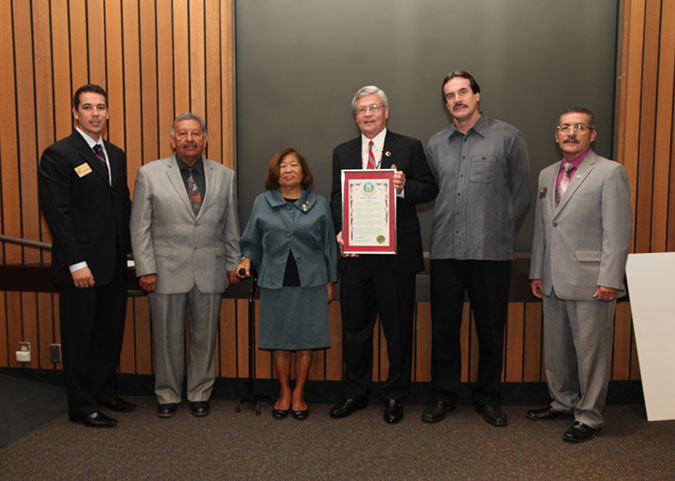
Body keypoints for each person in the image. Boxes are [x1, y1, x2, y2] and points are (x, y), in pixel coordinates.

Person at [423, 71, 530, 427]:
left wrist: (499, 232)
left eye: (463, 92)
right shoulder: (436, 143)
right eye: (450, 95)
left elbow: (521, 193)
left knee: (490, 329)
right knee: (444, 329)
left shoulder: (507, 137)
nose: (457, 99)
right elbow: (430, 191)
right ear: (446, 103)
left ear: (477, 95)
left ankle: (487, 396)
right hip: (446, 252)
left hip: (490, 254)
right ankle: (444, 395)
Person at [329, 86, 438, 424]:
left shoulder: (408, 147)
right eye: (361, 110)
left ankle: (395, 395)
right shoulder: (343, 152)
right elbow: (336, 197)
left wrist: (405, 187)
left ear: (386, 112)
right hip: (357, 257)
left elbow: (430, 187)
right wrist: (340, 230)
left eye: (374, 108)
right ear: (355, 115)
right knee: (354, 330)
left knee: (398, 330)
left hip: (396, 258)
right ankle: (355, 393)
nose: (367, 114)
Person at [528, 106, 632, 443]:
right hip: (553, 279)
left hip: (592, 282)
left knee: (591, 353)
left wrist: (610, 280)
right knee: (557, 350)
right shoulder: (546, 175)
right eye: (565, 127)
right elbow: (544, 229)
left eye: (580, 127)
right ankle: (563, 401)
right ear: (556, 134)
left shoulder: (609, 172)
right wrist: (537, 272)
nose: (571, 133)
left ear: (592, 134)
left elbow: (617, 232)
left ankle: (589, 416)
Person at [130, 113, 241, 418]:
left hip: (211, 268)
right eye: (183, 134)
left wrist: (232, 261)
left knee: (204, 337)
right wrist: (146, 269)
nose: (189, 139)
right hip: (164, 271)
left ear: (205, 139)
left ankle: (200, 391)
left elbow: (231, 225)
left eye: (195, 134)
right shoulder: (149, 174)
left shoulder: (225, 175)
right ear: (172, 139)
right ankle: (167, 393)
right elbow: (139, 227)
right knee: (166, 338)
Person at [38, 84, 135, 428]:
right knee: (80, 338)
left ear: (108, 113)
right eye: (88, 107)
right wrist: (76, 262)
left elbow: (121, 205)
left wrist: (130, 253)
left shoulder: (116, 154)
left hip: (114, 265)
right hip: (80, 267)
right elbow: (57, 213)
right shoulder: (58, 154)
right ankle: (81, 406)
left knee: (109, 333)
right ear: (75, 113)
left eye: (101, 107)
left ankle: (104, 392)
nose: (95, 113)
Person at [236, 148, 338, 421]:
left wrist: (331, 280)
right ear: (276, 173)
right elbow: (252, 241)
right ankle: (283, 392)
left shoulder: (319, 204)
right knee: (279, 340)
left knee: (306, 340)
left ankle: (299, 393)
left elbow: (329, 245)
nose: (289, 170)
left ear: (304, 173)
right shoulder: (262, 202)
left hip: (312, 281)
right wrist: (247, 260)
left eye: (294, 165)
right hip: (274, 280)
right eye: (283, 166)